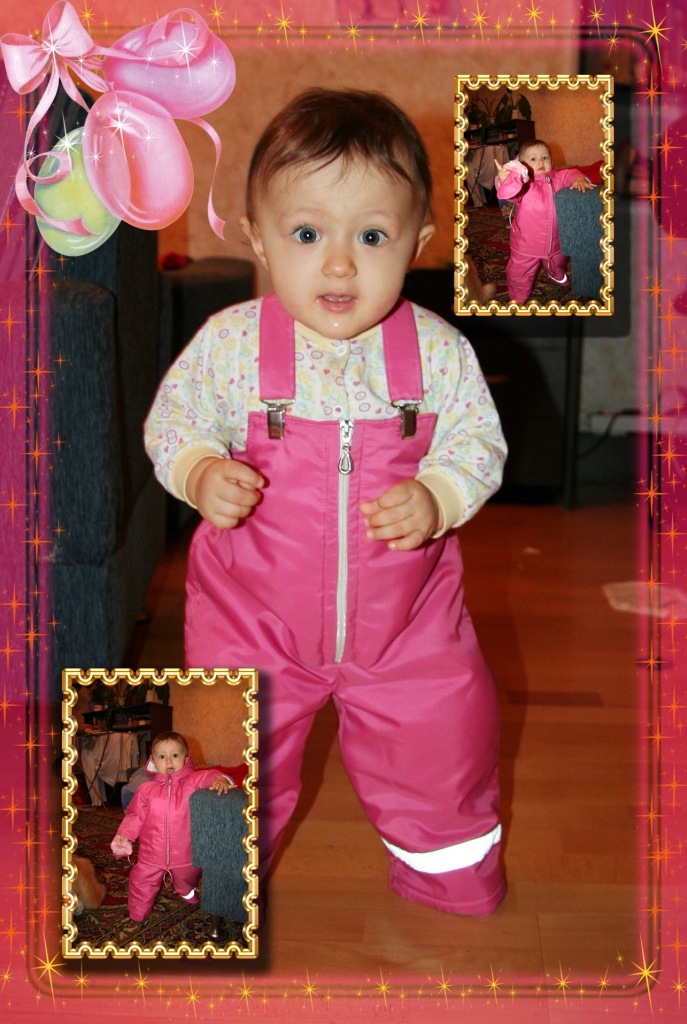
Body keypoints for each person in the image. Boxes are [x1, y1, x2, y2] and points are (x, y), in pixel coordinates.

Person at [145, 88, 508, 917]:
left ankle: (448, 869)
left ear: (417, 243)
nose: (339, 265)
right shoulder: (231, 346)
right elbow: (174, 422)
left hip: (408, 623)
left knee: (444, 739)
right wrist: (199, 471)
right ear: (258, 239)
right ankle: (207, 882)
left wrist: (439, 492)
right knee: (227, 755)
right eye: (307, 234)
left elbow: (476, 442)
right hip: (251, 619)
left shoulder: (439, 354)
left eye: (371, 237)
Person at [111, 731, 236, 925]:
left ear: (186, 759)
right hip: (151, 854)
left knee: (188, 875)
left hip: (185, 853)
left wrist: (221, 779)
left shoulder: (193, 781)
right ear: (153, 762)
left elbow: (209, 775)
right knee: (141, 880)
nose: (169, 760)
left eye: (175, 755)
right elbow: (135, 816)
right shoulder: (146, 789)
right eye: (162, 756)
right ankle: (137, 910)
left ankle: (185, 890)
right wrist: (124, 836)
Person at [494, 139, 595, 304]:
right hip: (526, 245)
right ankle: (518, 297)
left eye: (545, 157)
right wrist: (506, 181)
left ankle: (556, 275)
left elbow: (571, 173)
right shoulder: (524, 184)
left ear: (551, 161)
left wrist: (579, 179)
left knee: (558, 263)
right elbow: (510, 193)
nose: (540, 162)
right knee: (520, 272)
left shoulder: (559, 178)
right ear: (522, 165)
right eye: (533, 159)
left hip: (556, 241)